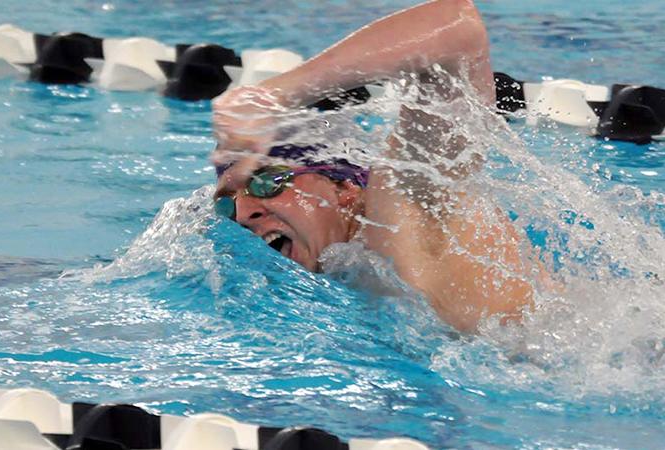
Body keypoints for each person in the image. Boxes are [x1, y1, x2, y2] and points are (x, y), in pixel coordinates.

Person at [211, 0, 538, 333]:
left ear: (344, 188)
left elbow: (459, 28)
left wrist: (273, 97)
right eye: (227, 203)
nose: (242, 214)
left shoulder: (405, 206)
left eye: (269, 181)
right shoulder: (349, 268)